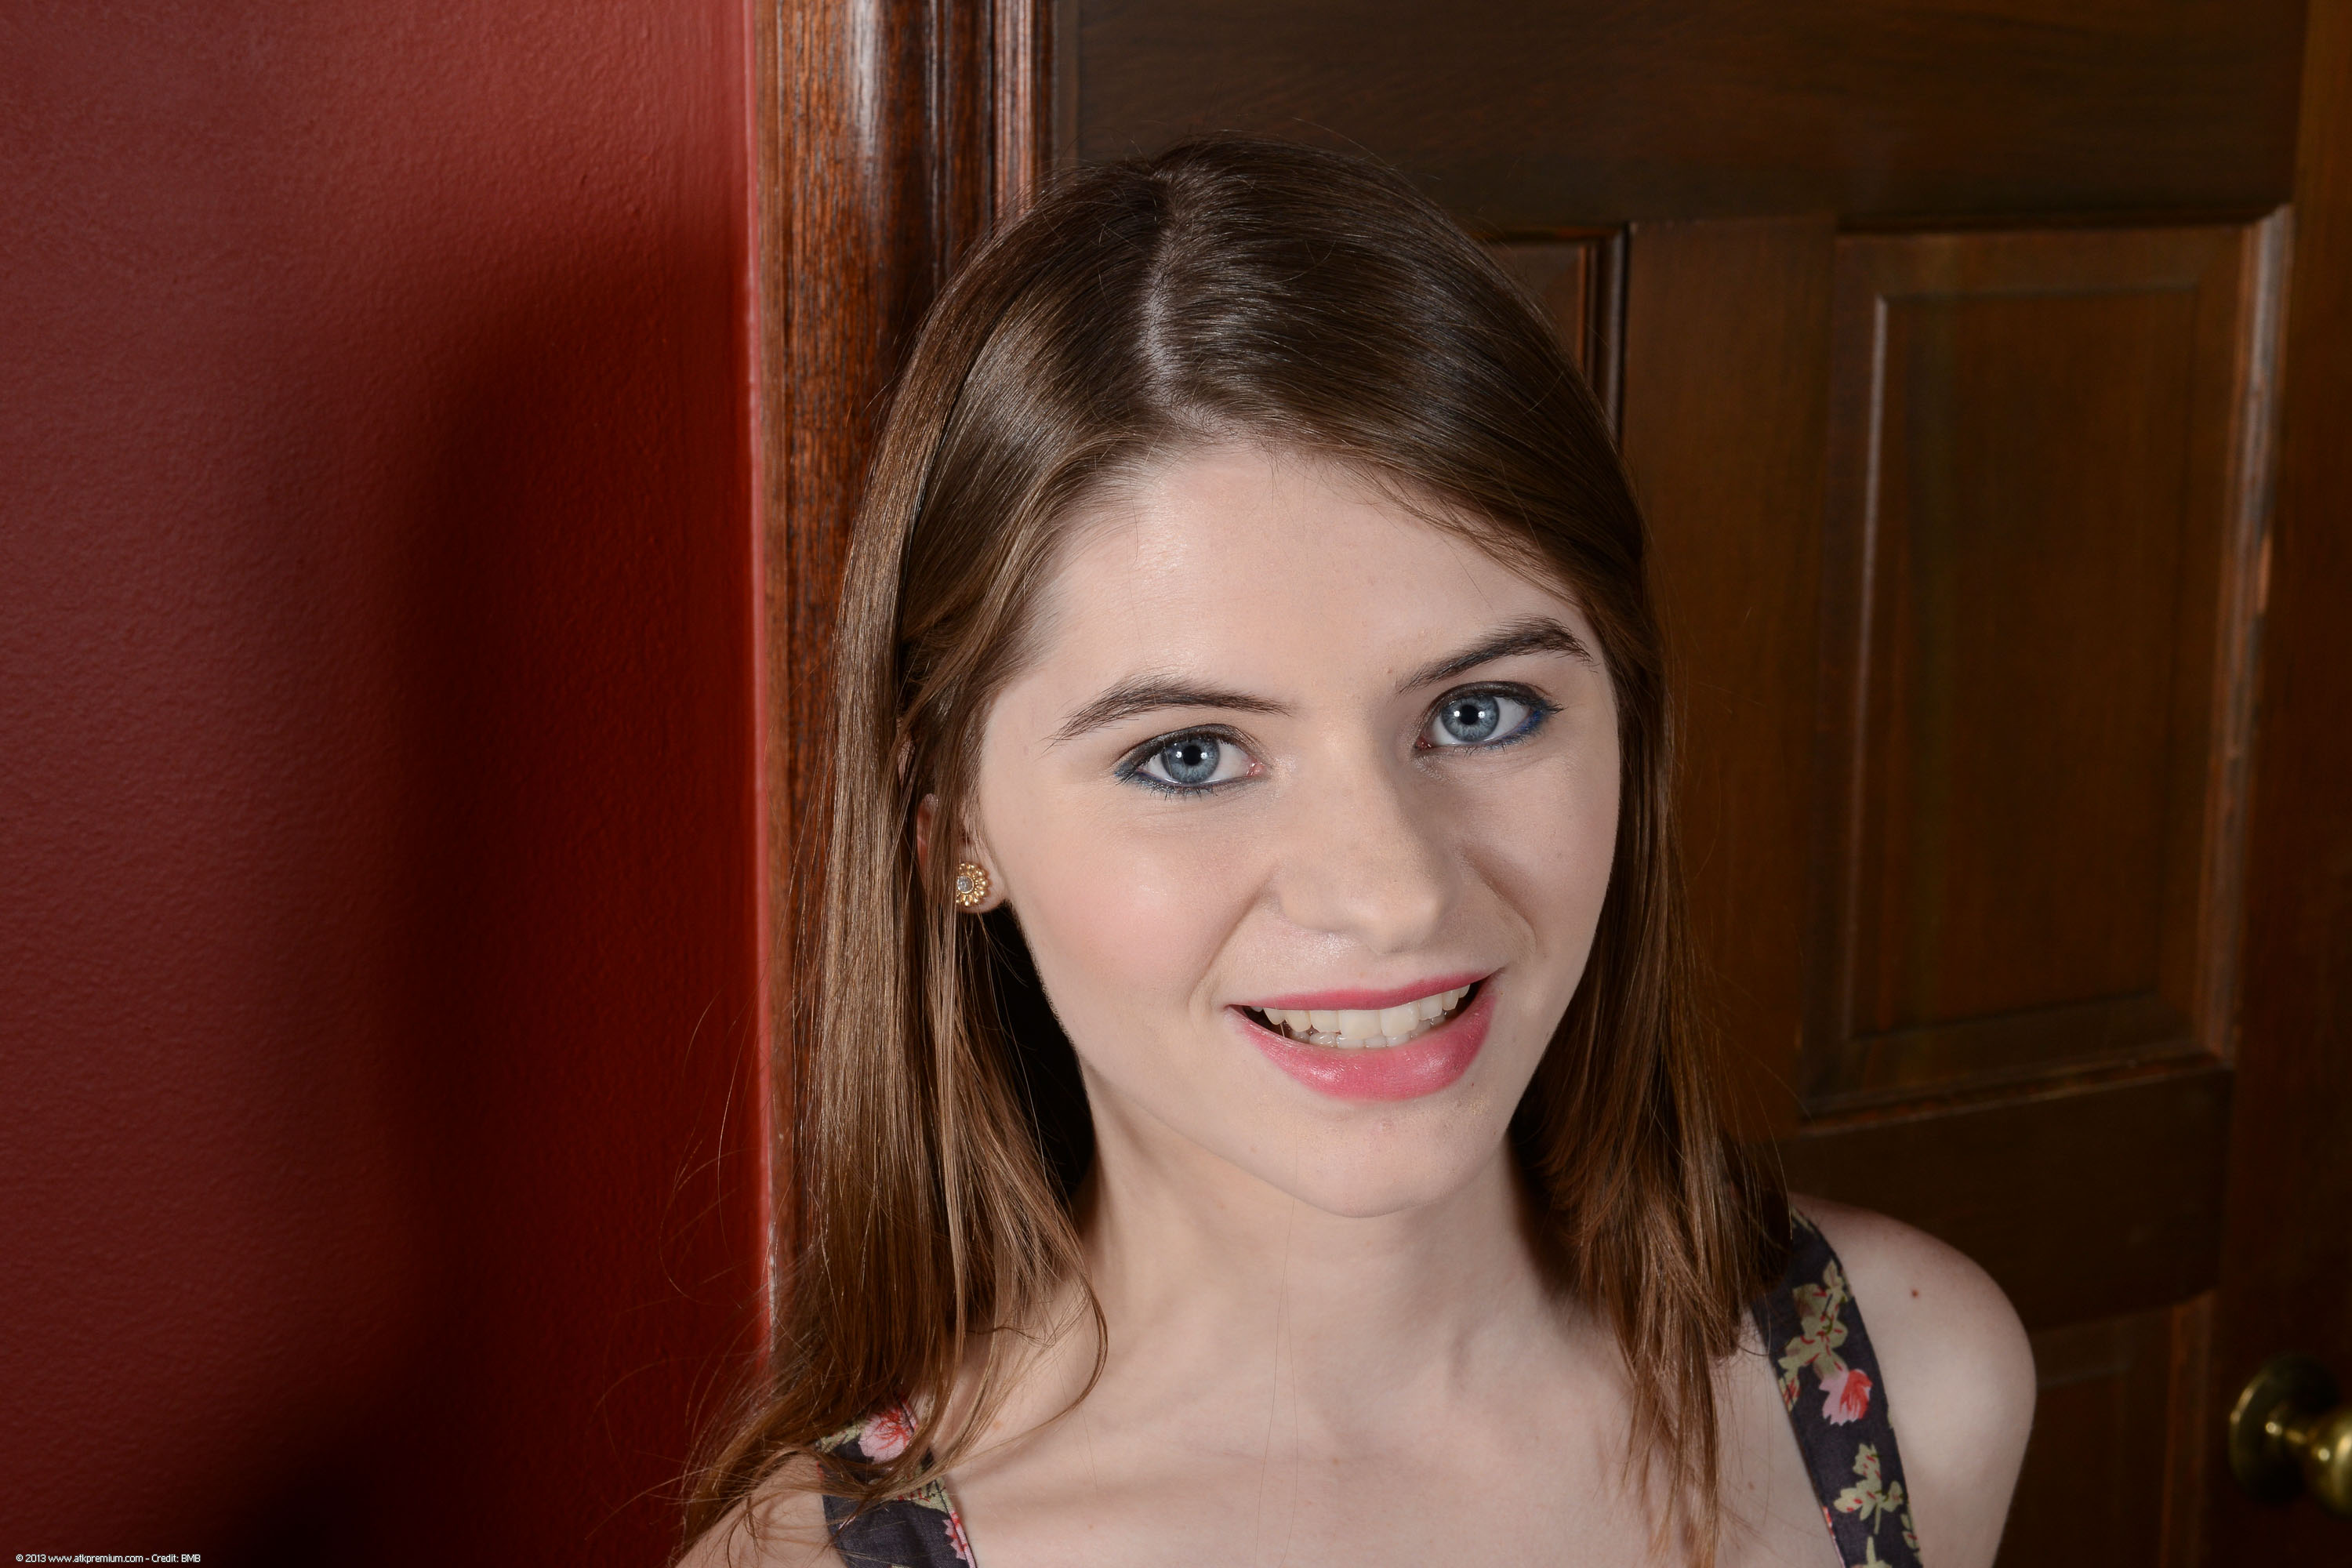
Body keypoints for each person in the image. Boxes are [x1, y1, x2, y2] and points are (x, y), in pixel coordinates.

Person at [680, 138, 2034, 1568]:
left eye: (1480, 711)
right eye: (1190, 755)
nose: (1393, 892)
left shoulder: (1911, 1387)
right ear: (951, 825)